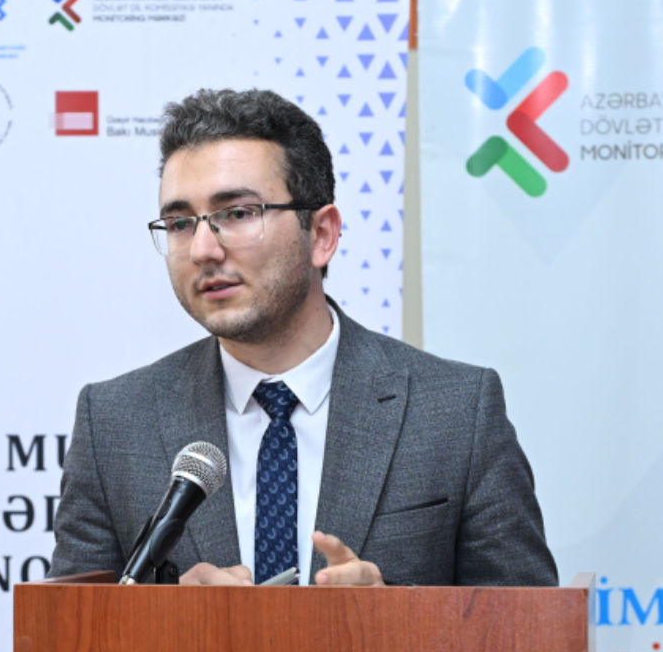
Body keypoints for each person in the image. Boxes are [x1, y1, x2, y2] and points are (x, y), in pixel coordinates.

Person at [50, 88, 557, 587]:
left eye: (238, 213)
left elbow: (526, 632)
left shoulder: (456, 413)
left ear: (322, 235)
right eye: (180, 223)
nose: (203, 249)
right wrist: (177, 625)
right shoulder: (115, 423)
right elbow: (66, 636)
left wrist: (392, 617)